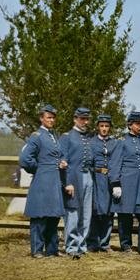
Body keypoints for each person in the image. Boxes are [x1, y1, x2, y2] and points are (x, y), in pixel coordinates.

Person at [19, 104, 67, 258]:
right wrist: (39, 170)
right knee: (40, 216)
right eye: (48, 117)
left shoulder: (53, 136)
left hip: (55, 182)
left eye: (53, 117)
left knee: (53, 216)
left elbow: (55, 155)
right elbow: (25, 159)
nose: (51, 120)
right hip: (42, 182)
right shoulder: (36, 136)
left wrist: (61, 162)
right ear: (41, 118)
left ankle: (52, 249)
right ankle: (37, 250)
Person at [108, 111, 140, 253]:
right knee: (125, 215)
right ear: (129, 125)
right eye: (138, 124)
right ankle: (126, 245)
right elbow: (114, 164)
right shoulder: (121, 142)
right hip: (127, 183)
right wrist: (115, 183)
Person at [59, 107, 95, 259]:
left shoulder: (88, 137)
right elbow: (63, 162)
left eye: (87, 119)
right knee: (73, 213)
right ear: (75, 119)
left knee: (86, 214)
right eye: (82, 119)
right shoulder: (67, 137)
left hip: (88, 177)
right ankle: (71, 246)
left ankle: (82, 245)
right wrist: (67, 182)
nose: (85, 122)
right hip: (74, 178)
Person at [88, 114, 117, 253]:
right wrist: (97, 170)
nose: (104, 129)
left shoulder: (115, 142)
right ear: (98, 127)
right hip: (95, 180)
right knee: (95, 211)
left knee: (108, 212)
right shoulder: (91, 142)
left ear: (110, 128)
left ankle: (105, 243)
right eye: (102, 126)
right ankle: (93, 242)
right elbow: (87, 163)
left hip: (110, 180)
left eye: (107, 126)